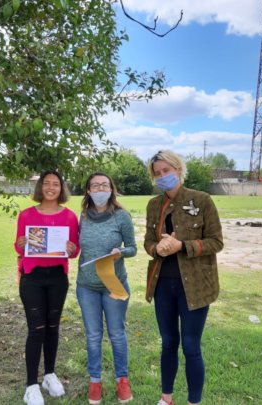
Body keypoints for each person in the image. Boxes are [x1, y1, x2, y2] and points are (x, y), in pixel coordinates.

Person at [143, 150, 223, 405]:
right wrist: (157, 249)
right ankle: (166, 398)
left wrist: (182, 246)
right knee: (168, 343)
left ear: (178, 169)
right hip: (163, 284)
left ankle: (193, 402)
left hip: (196, 285)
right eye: (157, 173)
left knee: (190, 346)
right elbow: (148, 241)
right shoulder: (154, 205)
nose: (162, 176)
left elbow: (216, 242)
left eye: (166, 170)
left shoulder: (202, 200)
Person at [14, 170, 80, 405]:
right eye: (47, 184)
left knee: (53, 327)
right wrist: (21, 244)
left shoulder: (71, 217)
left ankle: (49, 375)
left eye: (56, 184)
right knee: (36, 329)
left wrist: (72, 249)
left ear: (61, 189)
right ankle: (31, 385)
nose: (51, 188)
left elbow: (74, 250)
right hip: (32, 277)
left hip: (57, 278)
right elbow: (19, 247)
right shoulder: (26, 215)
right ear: (40, 187)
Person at [76, 172, 137, 405]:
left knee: (117, 335)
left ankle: (122, 380)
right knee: (93, 336)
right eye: (95, 185)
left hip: (114, 285)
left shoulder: (121, 216)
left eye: (105, 185)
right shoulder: (83, 217)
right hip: (87, 287)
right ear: (88, 191)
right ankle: (95, 381)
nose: (100, 189)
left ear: (111, 188)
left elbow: (132, 248)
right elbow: (76, 246)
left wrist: (120, 252)